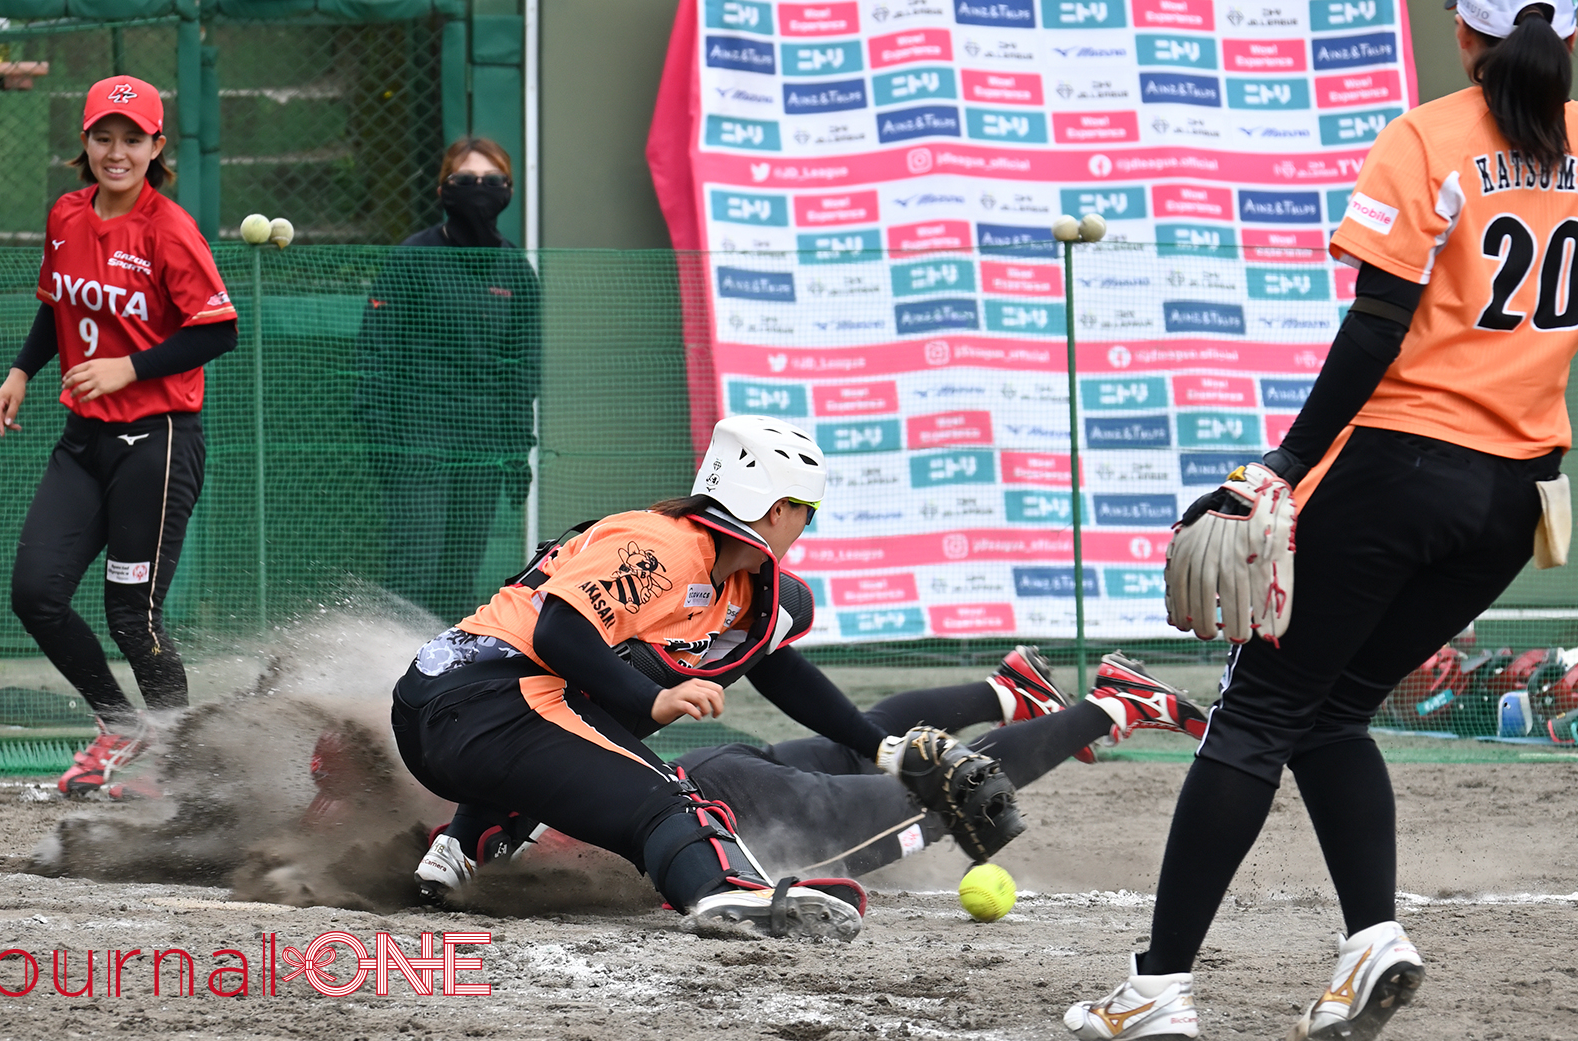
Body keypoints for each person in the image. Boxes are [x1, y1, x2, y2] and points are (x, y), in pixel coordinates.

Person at [1066, 3, 1578, 1038]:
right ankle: (1370, 940)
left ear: (1464, 35)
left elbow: (1378, 326)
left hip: (1402, 469)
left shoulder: (1429, 136)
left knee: (1257, 714)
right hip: (1519, 493)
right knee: (1334, 709)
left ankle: (1156, 990)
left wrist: (1281, 465)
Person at [392, 415, 1037, 940]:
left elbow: (781, 671)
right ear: (778, 508)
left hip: (457, 707)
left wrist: (878, 746)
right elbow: (559, 630)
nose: (805, 527)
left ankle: (467, 840)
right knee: (669, 794)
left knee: (610, 712)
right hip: (491, 701)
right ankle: (723, 892)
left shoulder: (724, 575)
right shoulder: (670, 544)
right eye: (806, 510)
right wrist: (655, 696)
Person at [395, 647, 1207, 884]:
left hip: (732, 807)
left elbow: (474, 828)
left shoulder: (493, 808)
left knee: (939, 796)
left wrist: (452, 857)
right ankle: (1012, 689)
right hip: (716, 774)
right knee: (870, 745)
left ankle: (1112, 705)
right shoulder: (503, 778)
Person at [0, 76, 237, 800]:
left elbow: (218, 329)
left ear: (157, 146)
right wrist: (21, 370)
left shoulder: (168, 228)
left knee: (133, 613)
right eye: (104, 136)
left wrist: (129, 365)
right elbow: (56, 306)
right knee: (36, 592)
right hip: (82, 440)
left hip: (156, 442)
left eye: (133, 138)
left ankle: (174, 759)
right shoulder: (67, 214)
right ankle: (119, 723)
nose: (116, 151)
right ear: (85, 142)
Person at [355, 137, 541, 625]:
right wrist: (382, 437)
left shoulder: (517, 272)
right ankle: (383, 681)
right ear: (442, 189)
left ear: (509, 191)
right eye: (466, 181)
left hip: (481, 445)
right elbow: (375, 352)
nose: (479, 191)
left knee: (459, 577)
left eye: (492, 181)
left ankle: (438, 688)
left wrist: (517, 449)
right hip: (416, 438)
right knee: (413, 568)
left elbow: (522, 371)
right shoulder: (412, 257)